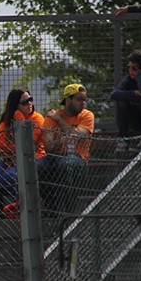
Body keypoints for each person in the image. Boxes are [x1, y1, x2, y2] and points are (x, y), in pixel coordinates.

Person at [0, 89, 46, 214]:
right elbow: (0, 144)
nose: (29, 104)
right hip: (9, 159)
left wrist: (20, 121)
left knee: (9, 177)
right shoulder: (7, 119)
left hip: (33, 158)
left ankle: (24, 211)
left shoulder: (37, 118)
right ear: (15, 105)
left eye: (30, 100)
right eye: (25, 102)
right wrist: (13, 149)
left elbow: (27, 144)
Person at [40, 83, 95, 216]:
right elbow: (48, 147)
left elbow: (78, 135)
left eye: (84, 99)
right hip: (55, 156)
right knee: (38, 166)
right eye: (79, 99)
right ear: (68, 100)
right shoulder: (51, 117)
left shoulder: (86, 116)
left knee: (65, 165)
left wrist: (60, 120)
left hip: (78, 158)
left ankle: (67, 210)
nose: (83, 103)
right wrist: (61, 140)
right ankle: (51, 206)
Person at [109, 50, 141, 148]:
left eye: (134, 68)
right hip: (134, 119)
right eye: (129, 68)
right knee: (121, 102)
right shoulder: (129, 80)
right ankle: (123, 139)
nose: (131, 71)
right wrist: (133, 93)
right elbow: (114, 94)